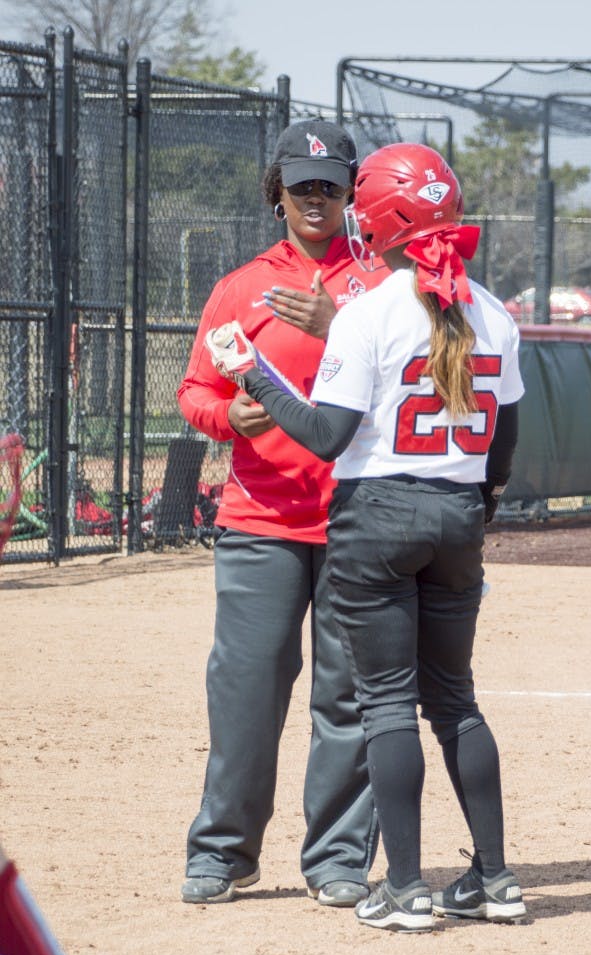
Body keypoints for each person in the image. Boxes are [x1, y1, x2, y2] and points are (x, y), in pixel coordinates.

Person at [208, 142, 527, 932]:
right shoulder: (490, 310)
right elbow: (504, 447)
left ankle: (407, 887)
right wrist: (474, 508)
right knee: (455, 701)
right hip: (458, 518)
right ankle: (495, 880)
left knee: (384, 703)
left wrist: (251, 373)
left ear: (375, 216)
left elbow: (323, 435)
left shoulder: (370, 310)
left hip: (378, 516)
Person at [177, 120, 387, 907]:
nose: (315, 198)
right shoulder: (240, 286)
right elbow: (195, 390)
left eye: (330, 186)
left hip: (356, 520)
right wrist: (233, 417)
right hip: (260, 519)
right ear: (278, 193)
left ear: (351, 196)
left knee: (347, 695)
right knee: (246, 687)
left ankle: (335, 858)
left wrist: (341, 325)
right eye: (301, 184)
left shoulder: (379, 284)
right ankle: (224, 852)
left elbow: (411, 381)